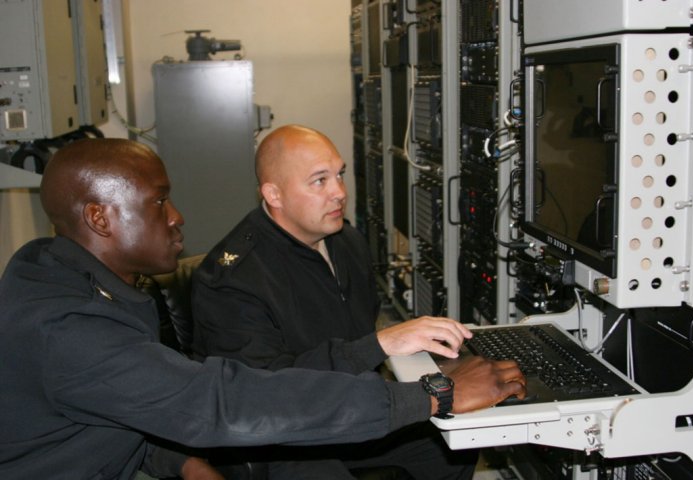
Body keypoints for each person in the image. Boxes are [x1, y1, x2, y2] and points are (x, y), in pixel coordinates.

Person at [0, 138, 526, 480]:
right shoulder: (67, 327)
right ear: (99, 217)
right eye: (160, 202)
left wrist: (178, 461)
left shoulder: (71, 278)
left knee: (443, 452)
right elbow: (227, 400)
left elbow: (117, 406)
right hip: (257, 430)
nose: (179, 217)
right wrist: (431, 396)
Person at [191, 125, 485, 479]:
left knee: (455, 440)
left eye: (340, 175)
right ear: (274, 194)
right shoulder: (233, 280)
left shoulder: (346, 242)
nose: (339, 193)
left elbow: (356, 338)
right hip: (278, 433)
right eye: (319, 181)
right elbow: (263, 393)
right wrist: (379, 344)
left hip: (346, 407)